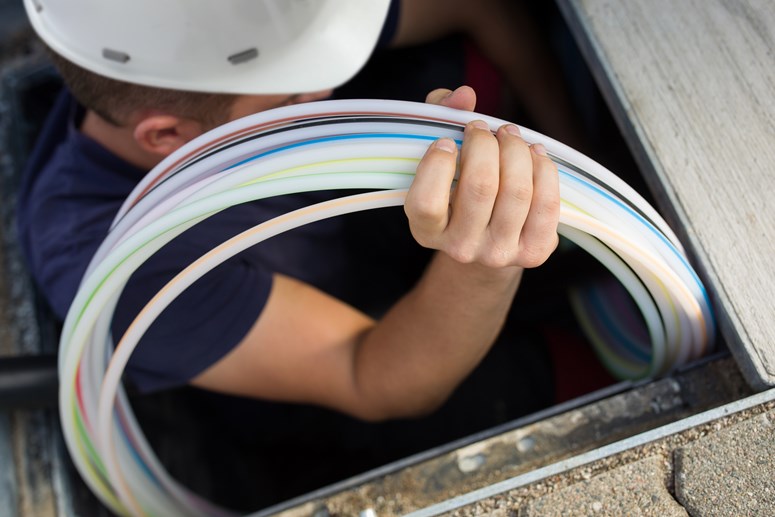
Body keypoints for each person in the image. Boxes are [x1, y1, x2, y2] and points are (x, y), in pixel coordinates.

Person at [18, 0, 564, 509]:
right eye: (295, 95)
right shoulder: (117, 266)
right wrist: (488, 256)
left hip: (364, 241)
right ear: (165, 135)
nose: (328, 91)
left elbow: (477, 5)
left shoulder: (251, 30)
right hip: (337, 393)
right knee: (541, 387)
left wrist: (570, 150)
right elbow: (371, 375)